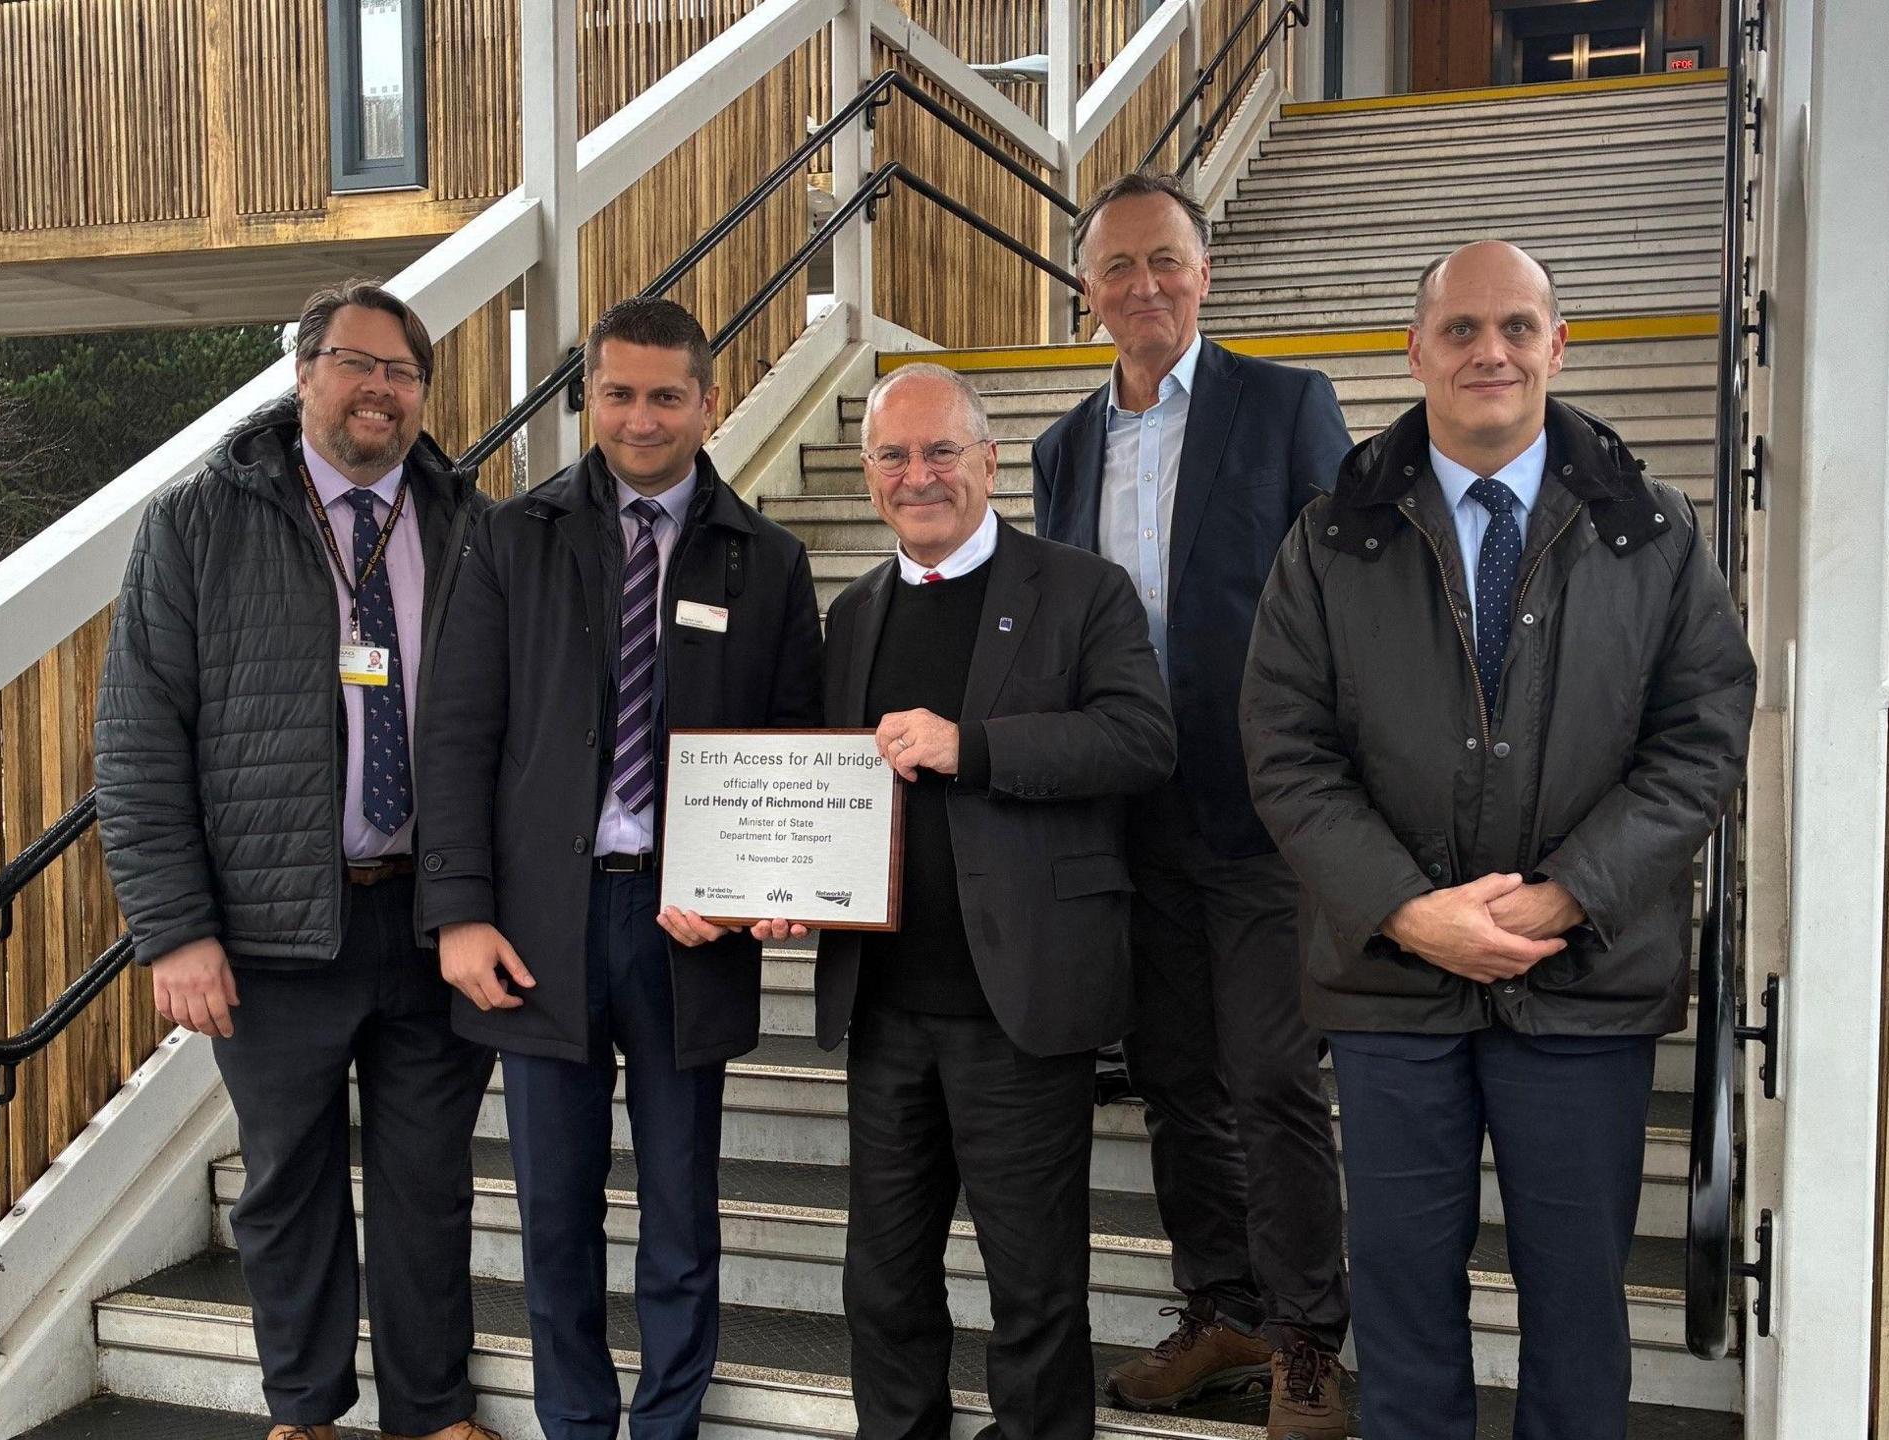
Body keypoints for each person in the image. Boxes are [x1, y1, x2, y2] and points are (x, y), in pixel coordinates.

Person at [1241, 240, 1755, 1440]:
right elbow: (1284, 749)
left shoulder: (1654, 531)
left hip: (1581, 985)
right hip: (1388, 986)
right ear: (1412, 350)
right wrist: (1410, 911)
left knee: (1577, 1309)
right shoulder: (1330, 538)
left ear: (1557, 346)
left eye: (1516, 327)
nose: (1490, 352)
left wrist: (1571, 894)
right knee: (1406, 1309)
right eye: (1461, 330)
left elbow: (1701, 740)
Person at [699, 362, 1173, 1440]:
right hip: (887, 1008)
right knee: (883, 1279)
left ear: (989, 461)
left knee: (1034, 1283)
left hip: (1021, 1005)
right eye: (894, 457)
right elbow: (832, 796)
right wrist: (784, 889)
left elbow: (1145, 741)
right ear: (867, 477)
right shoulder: (854, 612)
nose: (918, 476)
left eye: (940, 451)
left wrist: (979, 749)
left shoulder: (1080, 588)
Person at [411, 297, 825, 1440]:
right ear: (589, 396)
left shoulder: (771, 562)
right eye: (618, 392)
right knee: (553, 1211)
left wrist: (751, 889)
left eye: (666, 395)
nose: (641, 418)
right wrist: (457, 912)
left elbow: (791, 751)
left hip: (686, 929)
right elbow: (454, 733)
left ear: (708, 399)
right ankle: (576, 1424)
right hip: (542, 927)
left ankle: (669, 1423)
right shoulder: (509, 539)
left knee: (682, 1208)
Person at [94, 280, 500, 1440]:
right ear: (303, 371)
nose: (380, 390)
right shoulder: (197, 522)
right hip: (273, 934)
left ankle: (431, 1413)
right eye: (357, 363)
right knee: (286, 1190)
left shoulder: (470, 519)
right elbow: (134, 739)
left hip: (432, 920)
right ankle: (306, 1412)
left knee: (430, 1189)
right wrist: (173, 929)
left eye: (403, 371)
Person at [1031, 168, 1356, 1438]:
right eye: (1116, 266)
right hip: (1129, 817)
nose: (1142, 286)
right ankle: (1218, 1308)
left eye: (1164, 260)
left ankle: (1305, 1343)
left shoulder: (1284, 408)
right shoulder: (1064, 448)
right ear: (1085, 290)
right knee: (1174, 1078)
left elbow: (1350, 595)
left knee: (1271, 1075)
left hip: (1266, 812)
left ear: (1204, 273)